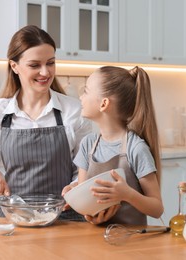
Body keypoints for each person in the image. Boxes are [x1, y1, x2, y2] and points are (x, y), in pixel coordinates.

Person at [0, 25, 92, 220]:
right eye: (34, 65)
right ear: (15, 66)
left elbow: (86, 169)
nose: (45, 72)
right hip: (15, 221)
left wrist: (75, 186)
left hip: (67, 222)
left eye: (51, 63)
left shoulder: (73, 111)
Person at [63, 66, 164, 225]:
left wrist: (128, 194)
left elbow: (157, 209)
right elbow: (85, 198)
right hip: (95, 238)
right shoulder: (88, 144)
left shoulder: (136, 148)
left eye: (86, 91)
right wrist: (74, 193)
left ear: (104, 104)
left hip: (133, 241)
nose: (81, 97)